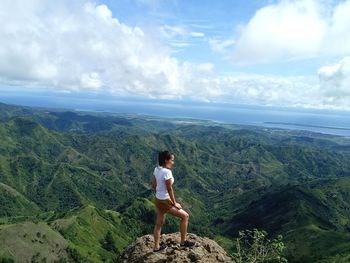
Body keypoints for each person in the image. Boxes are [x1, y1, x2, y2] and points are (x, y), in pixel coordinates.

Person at [152, 150, 195, 252]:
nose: (173, 162)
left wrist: (159, 191)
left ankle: (156, 247)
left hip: (158, 199)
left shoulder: (157, 169)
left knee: (158, 224)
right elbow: (169, 189)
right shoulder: (167, 172)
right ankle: (183, 242)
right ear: (166, 160)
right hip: (166, 201)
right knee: (185, 216)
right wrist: (174, 203)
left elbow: (153, 185)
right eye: (172, 160)